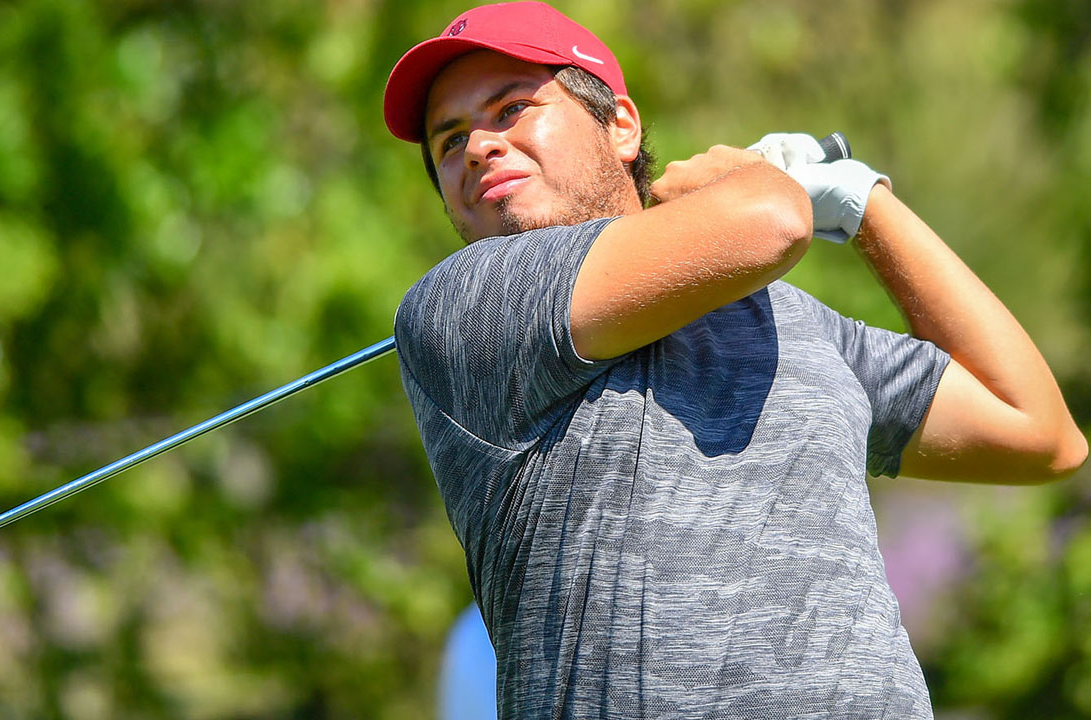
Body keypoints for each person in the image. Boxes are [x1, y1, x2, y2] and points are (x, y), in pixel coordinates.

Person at [383, 2, 1087, 718]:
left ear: (620, 125)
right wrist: (742, 180)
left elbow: (1038, 432)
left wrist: (864, 201)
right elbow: (771, 224)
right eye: (449, 140)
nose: (477, 147)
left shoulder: (791, 323)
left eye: (510, 109)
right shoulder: (461, 305)